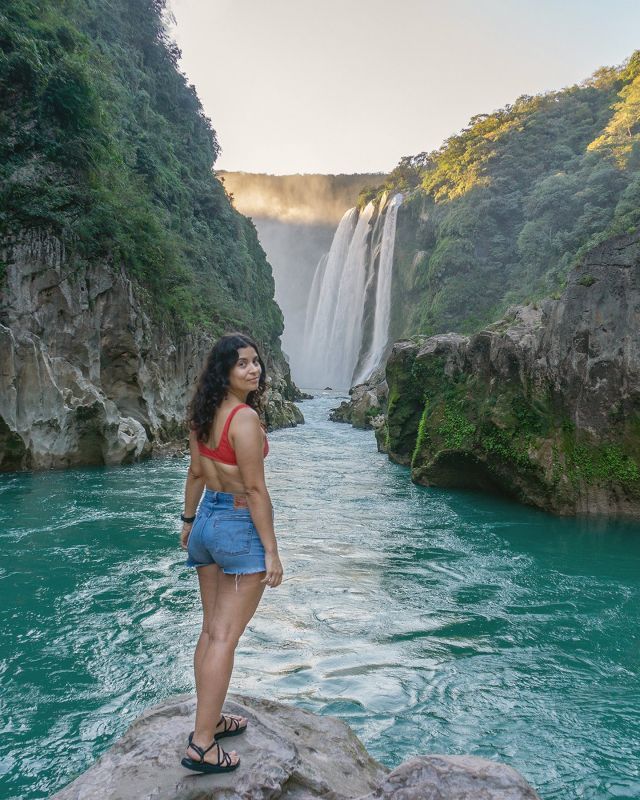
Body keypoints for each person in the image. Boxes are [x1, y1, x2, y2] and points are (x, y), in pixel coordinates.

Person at [179, 332, 283, 774]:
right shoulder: (243, 420)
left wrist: (188, 524)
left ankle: (211, 720)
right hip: (237, 526)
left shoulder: (203, 416)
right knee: (224, 638)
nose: (253, 369)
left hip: (206, 521)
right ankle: (202, 744)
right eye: (242, 363)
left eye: (256, 361)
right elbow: (255, 489)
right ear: (225, 370)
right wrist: (272, 551)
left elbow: (196, 473)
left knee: (210, 632)